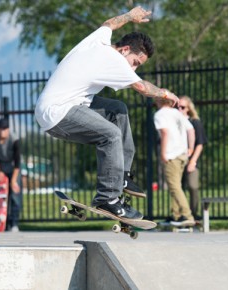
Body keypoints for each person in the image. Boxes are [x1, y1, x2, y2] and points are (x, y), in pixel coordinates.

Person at [34, 6, 180, 219]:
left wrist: (130, 16)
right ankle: (107, 199)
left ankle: (123, 176)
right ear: (124, 50)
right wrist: (165, 93)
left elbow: (109, 24)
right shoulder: (114, 60)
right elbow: (142, 88)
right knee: (111, 134)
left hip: (68, 105)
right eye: (135, 63)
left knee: (117, 110)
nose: (133, 70)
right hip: (57, 112)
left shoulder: (99, 41)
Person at [153, 98, 196, 225]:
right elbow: (191, 130)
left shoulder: (160, 114)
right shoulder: (176, 113)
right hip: (182, 154)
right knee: (176, 186)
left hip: (171, 155)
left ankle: (187, 216)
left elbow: (165, 133)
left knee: (175, 187)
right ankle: (176, 215)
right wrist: (190, 149)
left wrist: (163, 153)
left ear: (158, 100)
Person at [0, 118, 22, 232]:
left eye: (5, 129)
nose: (2, 132)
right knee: (0, 196)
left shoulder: (14, 138)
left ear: (8, 129)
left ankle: (14, 224)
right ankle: (2, 223)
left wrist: (13, 181)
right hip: (1, 168)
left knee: (14, 196)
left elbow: (18, 161)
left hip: (13, 168)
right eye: (0, 129)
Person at [178, 96, 208, 219]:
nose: (179, 109)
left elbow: (200, 144)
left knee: (192, 186)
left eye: (183, 107)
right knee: (178, 188)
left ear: (188, 109)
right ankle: (180, 215)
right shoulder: (175, 122)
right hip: (178, 159)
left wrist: (193, 161)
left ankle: (193, 213)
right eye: (177, 106)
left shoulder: (195, 122)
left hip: (191, 159)